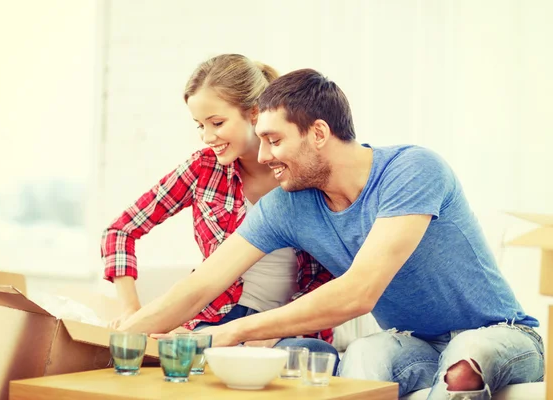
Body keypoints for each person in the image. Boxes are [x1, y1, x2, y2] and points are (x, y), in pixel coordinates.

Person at [122, 68, 544, 399]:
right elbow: (203, 284)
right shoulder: (288, 204)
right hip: (415, 342)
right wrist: (117, 338)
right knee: (362, 353)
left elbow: (358, 292)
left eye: (273, 140)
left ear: (318, 133)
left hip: (502, 334)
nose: (264, 155)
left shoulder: (412, 171)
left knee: (467, 358)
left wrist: (234, 331)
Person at [100, 55, 338, 359]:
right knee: (172, 361)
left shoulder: (303, 172)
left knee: (308, 356)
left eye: (217, 123)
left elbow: (331, 273)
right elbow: (120, 231)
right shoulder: (203, 168)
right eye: (200, 125)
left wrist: (274, 331)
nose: (207, 136)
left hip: (288, 330)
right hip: (214, 321)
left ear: (254, 113)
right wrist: (132, 312)